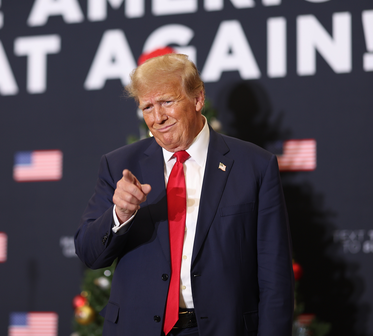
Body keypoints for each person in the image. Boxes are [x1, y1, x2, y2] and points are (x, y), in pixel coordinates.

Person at [74, 54, 294, 336]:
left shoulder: (255, 166)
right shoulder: (119, 166)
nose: (158, 117)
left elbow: (275, 277)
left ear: (198, 99)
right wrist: (120, 215)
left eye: (167, 102)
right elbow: (90, 254)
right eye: (148, 107)